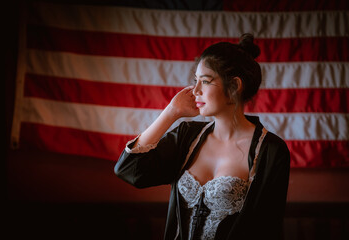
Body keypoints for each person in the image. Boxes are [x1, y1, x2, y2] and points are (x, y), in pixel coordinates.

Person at [114, 33, 290, 240]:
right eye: (195, 81)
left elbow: (267, 228)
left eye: (205, 82)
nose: (195, 90)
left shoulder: (271, 150)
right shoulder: (187, 135)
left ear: (234, 86)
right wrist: (171, 112)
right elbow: (130, 170)